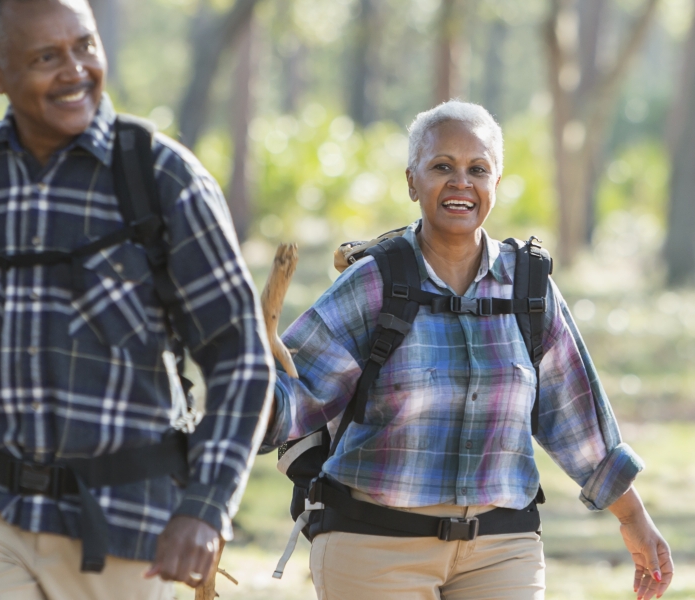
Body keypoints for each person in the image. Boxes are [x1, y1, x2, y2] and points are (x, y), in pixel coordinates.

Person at [0, 0, 270, 598]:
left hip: (125, 523)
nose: (75, 70)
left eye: (85, 46)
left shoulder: (163, 180)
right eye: (46, 57)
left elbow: (240, 358)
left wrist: (206, 505)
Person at [265, 100, 674, 599]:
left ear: (496, 184)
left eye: (477, 169)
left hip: (502, 550)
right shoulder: (374, 283)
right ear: (412, 181)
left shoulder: (528, 288)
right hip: (374, 547)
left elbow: (576, 420)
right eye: (442, 167)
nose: (461, 182)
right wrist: (243, 387)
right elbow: (291, 396)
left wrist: (634, 518)